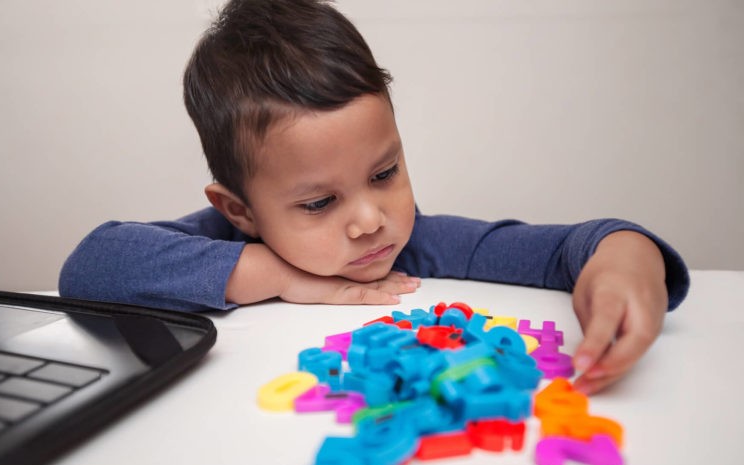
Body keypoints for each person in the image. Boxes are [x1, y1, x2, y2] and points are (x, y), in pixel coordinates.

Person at [59, 0, 689, 395]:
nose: (370, 221)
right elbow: (90, 264)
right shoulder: (219, 241)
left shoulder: (421, 243)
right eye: (317, 204)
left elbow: (562, 250)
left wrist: (624, 256)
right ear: (241, 211)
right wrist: (276, 275)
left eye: (384, 173)